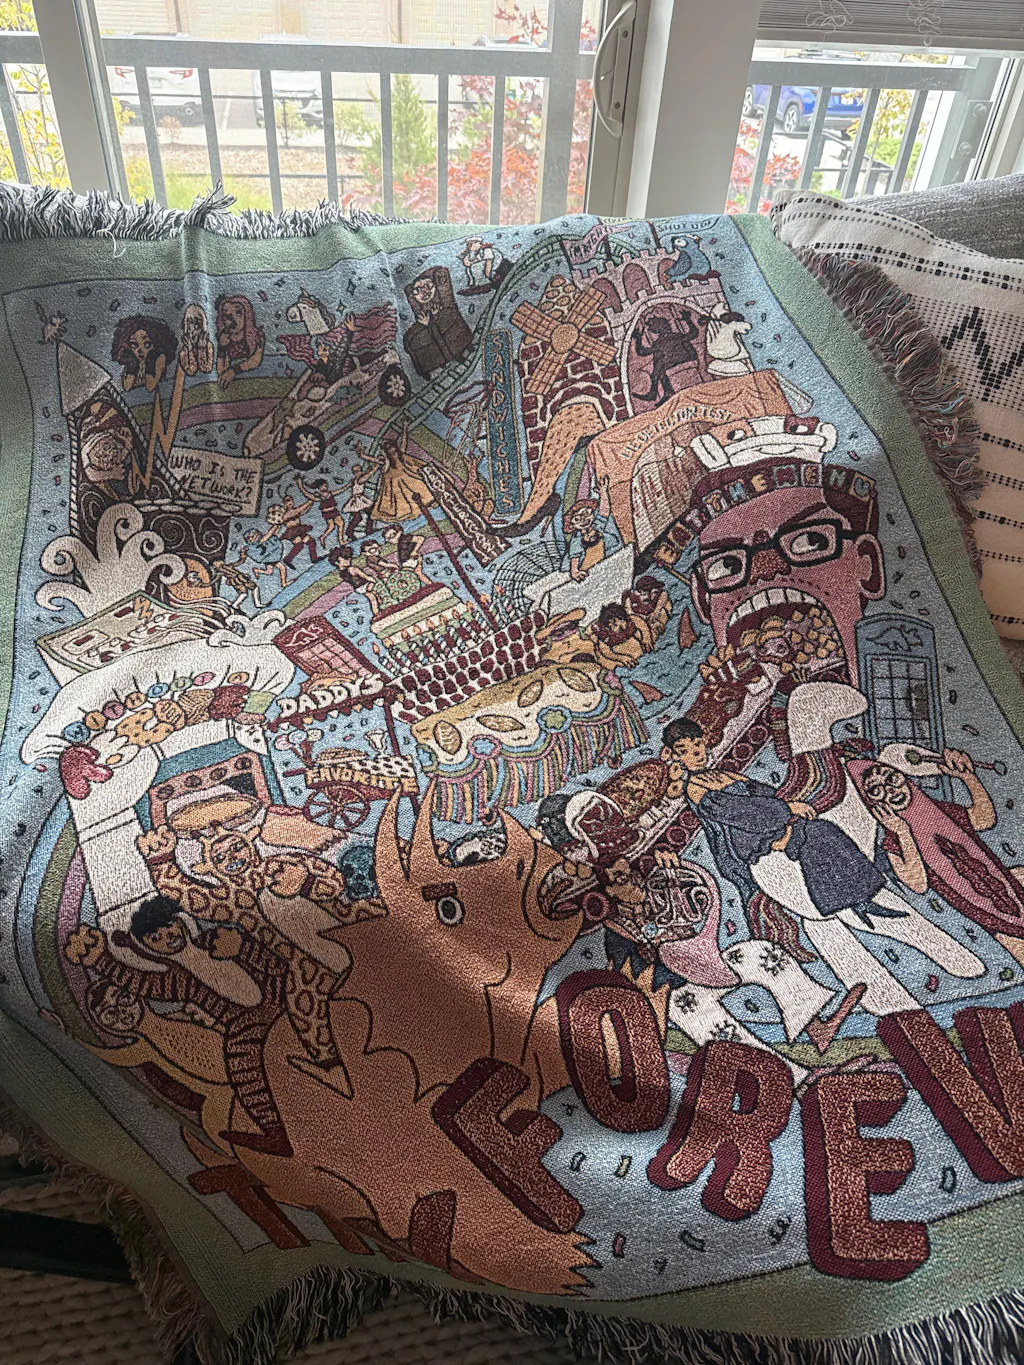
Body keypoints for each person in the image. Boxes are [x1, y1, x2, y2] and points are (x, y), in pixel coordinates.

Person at [666, 714, 986, 1016]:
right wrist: (787, 809)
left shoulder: (722, 776)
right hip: (764, 852)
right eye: (686, 750)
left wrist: (790, 803)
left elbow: (769, 796)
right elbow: (744, 814)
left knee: (824, 836)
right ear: (674, 756)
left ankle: (903, 974)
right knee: (823, 837)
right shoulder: (697, 788)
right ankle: (860, 908)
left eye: (697, 744)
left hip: (782, 834)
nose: (696, 753)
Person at [851, 750, 1024, 966]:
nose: (891, 790)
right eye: (876, 791)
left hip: (1008, 884)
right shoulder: (893, 842)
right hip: (985, 914)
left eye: (892, 779)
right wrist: (903, 833)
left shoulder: (940, 810)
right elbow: (917, 883)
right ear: (870, 804)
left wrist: (968, 778)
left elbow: (983, 819)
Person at [371, 417, 434, 523]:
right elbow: (375, 460)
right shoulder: (387, 462)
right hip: (397, 481)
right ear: (386, 452)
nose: (391, 449)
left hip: (409, 473)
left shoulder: (402, 454)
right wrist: (362, 455)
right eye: (388, 449)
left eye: (391, 446)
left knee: (417, 483)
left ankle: (427, 500)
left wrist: (405, 427)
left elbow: (404, 441)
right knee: (400, 486)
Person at [563, 492, 621, 582]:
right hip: (586, 570)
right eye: (577, 519)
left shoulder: (596, 526)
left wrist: (603, 493)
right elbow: (575, 557)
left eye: (586, 513)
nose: (583, 520)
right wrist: (575, 572)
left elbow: (604, 512)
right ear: (572, 525)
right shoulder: (577, 539)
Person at [111, 315, 177, 393]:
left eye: (147, 344)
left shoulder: (160, 358)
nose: (140, 350)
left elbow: (150, 387)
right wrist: (132, 366)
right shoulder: (132, 360)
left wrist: (150, 364)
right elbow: (127, 387)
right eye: (134, 345)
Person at [215, 295, 265, 388]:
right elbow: (220, 371)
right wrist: (221, 348)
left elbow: (256, 360)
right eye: (227, 315)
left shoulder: (257, 336)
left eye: (238, 313)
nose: (233, 319)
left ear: (247, 315)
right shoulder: (225, 339)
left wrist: (234, 370)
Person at [178, 304, 215, 377]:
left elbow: (207, 368)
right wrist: (190, 350)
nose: (195, 327)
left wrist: (202, 349)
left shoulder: (208, 345)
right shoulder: (184, 350)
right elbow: (191, 371)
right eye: (191, 324)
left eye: (198, 324)